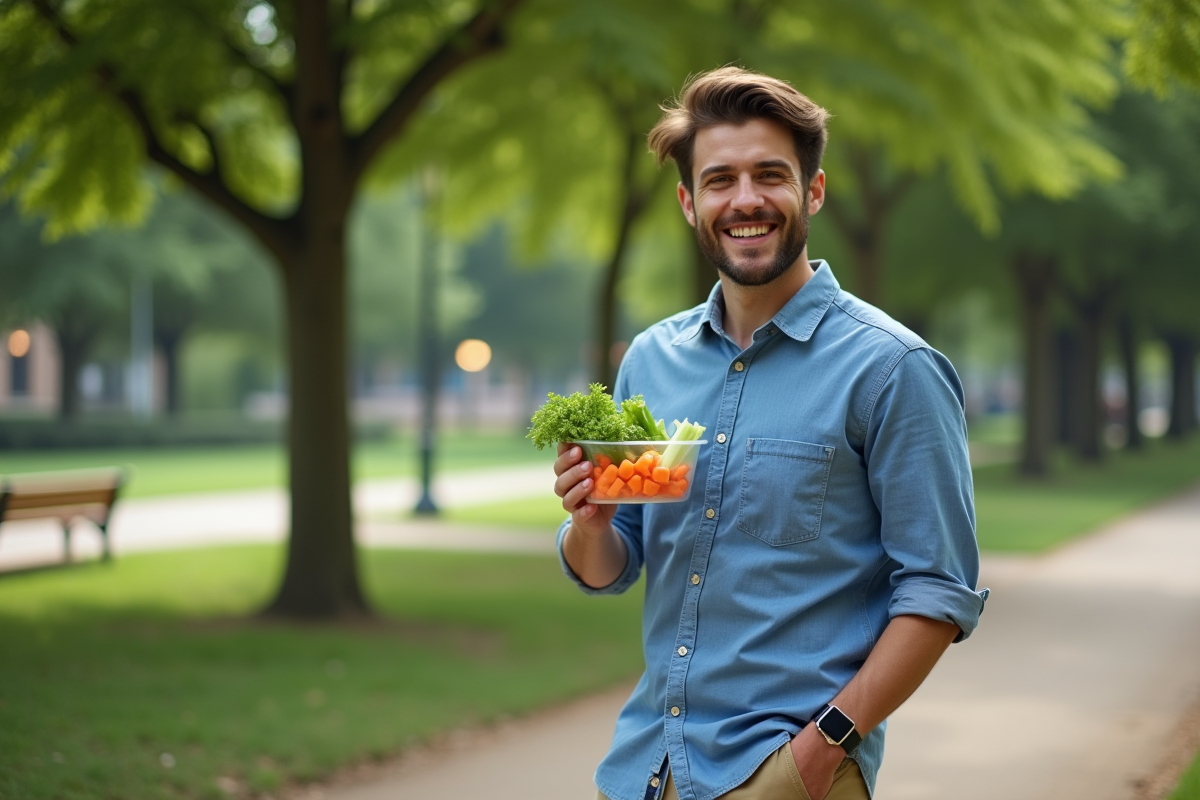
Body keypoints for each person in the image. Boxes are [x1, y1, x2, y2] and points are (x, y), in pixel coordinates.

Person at [552, 66, 987, 800]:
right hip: (643, 769)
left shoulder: (891, 369)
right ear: (691, 204)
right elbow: (611, 567)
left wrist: (823, 751)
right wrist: (591, 525)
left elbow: (939, 593)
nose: (745, 200)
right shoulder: (651, 361)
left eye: (770, 175)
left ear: (811, 192)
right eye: (720, 180)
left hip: (786, 775)